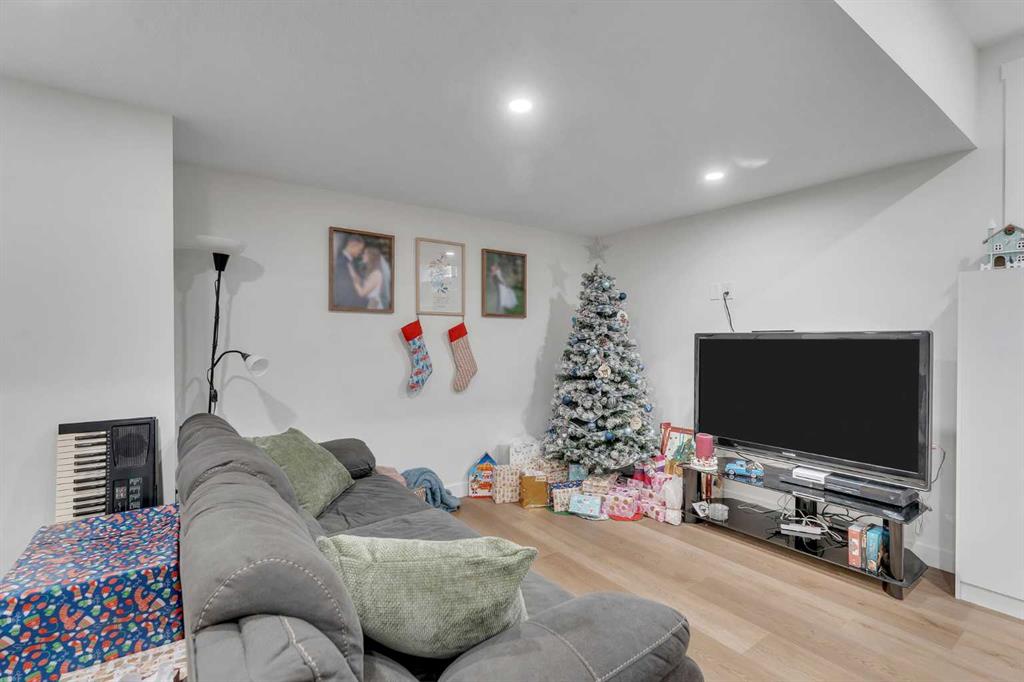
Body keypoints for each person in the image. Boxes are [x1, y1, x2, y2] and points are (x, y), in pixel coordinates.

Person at [334, 234, 368, 308]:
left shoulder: (354, 262)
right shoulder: (340, 262)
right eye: (360, 249)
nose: (360, 252)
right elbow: (342, 289)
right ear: (352, 245)